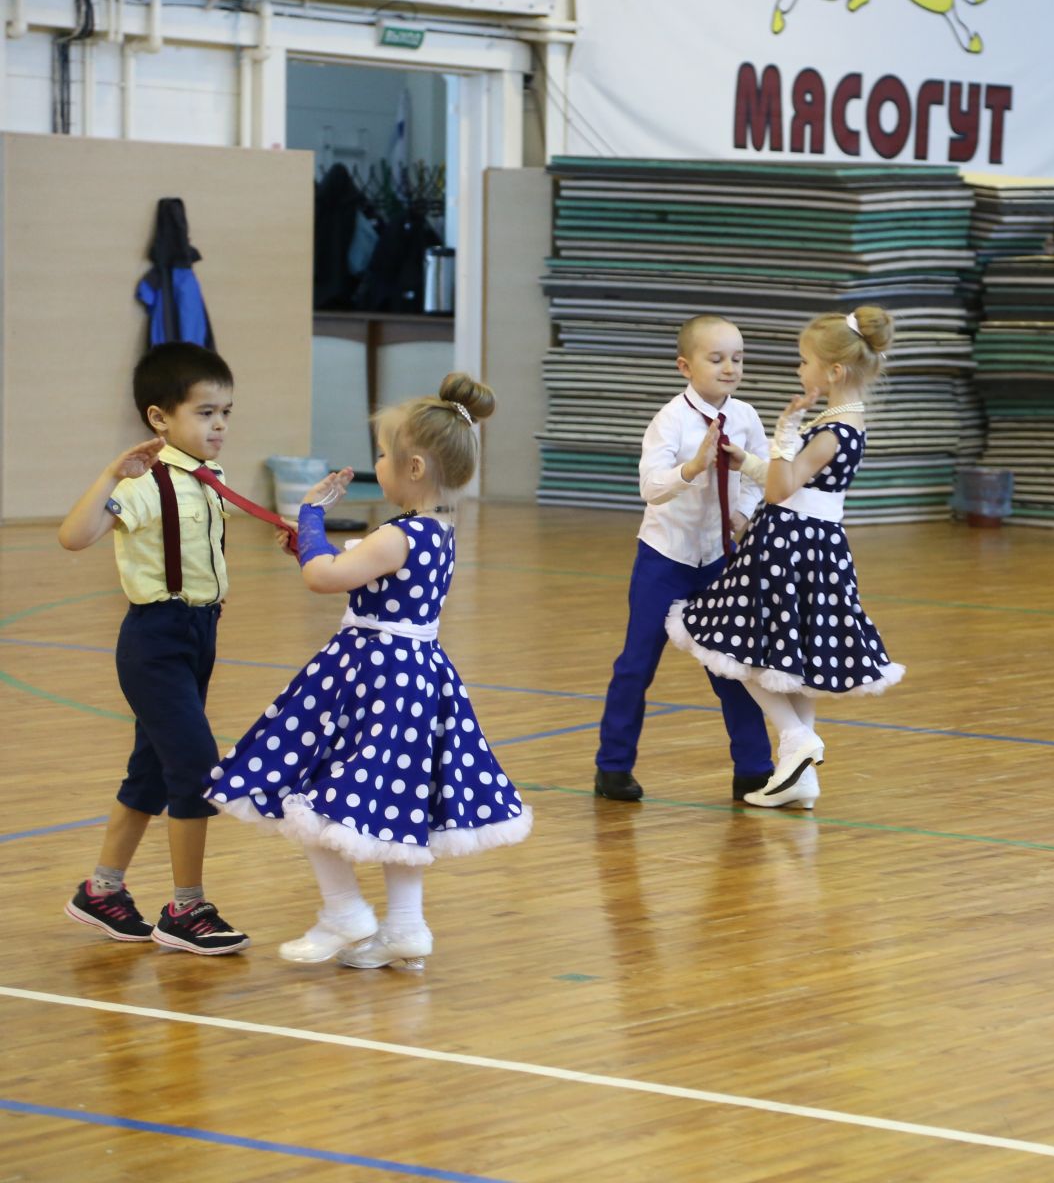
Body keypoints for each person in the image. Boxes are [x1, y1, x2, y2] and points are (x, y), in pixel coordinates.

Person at [206, 374, 531, 971]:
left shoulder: (395, 534)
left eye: (382, 454)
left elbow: (322, 578)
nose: (375, 463)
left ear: (412, 467)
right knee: (397, 802)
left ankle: (344, 911)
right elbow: (341, 569)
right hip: (416, 677)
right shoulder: (440, 533)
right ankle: (405, 927)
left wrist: (308, 518)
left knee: (305, 784)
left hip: (372, 675)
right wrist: (317, 547)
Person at [666, 307, 906, 810]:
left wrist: (782, 431)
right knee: (792, 656)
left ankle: (795, 737)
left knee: (738, 644)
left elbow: (780, 489)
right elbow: (803, 485)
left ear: (833, 372)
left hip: (787, 544)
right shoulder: (848, 424)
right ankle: (799, 774)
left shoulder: (828, 432)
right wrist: (749, 460)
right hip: (819, 544)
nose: (801, 371)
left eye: (804, 362)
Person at [57, 343, 252, 955]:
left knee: (150, 769)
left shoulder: (212, 480)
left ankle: (102, 891)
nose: (218, 425)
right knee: (195, 767)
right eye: (204, 412)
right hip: (155, 640)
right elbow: (74, 536)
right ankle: (186, 908)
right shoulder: (144, 484)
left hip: (200, 636)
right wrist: (113, 475)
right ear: (159, 418)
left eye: (225, 412)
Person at [590, 315, 774, 804]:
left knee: (730, 665)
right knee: (636, 664)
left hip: (719, 558)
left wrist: (743, 510)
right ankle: (612, 768)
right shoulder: (669, 420)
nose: (730, 367)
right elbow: (650, 486)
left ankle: (755, 770)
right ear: (685, 366)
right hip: (665, 556)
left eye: (738, 358)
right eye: (716, 359)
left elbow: (761, 472)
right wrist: (693, 467)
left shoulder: (748, 417)